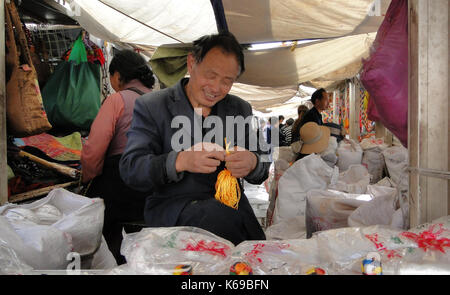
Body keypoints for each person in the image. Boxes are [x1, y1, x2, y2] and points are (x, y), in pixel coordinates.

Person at [119, 32, 269, 246]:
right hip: (176, 218)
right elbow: (131, 169)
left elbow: (263, 161)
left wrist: (253, 163)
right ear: (191, 63)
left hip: (233, 217)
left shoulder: (240, 109)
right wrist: (181, 161)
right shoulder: (152, 106)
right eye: (210, 75)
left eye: (227, 81)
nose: (216, 88)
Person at [81, 49, 155, 264]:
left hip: (121, 186)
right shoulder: (161, 100)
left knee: (105, 232)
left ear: (118, 75)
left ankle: (115, 264)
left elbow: (94, 150)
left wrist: (87, 178)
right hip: (155, 186)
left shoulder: (117, 100)